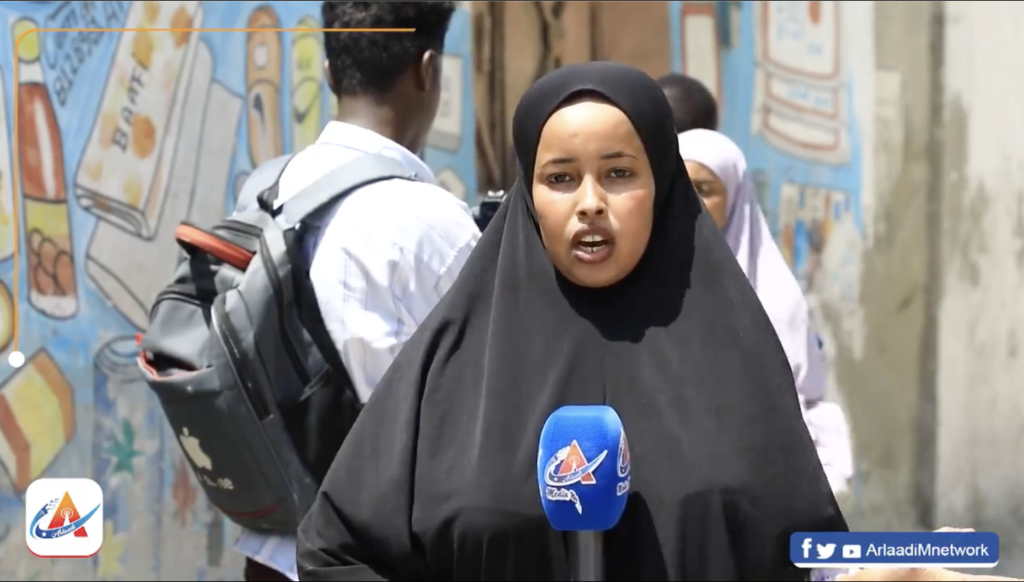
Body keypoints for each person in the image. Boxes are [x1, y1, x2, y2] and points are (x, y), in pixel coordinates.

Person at [296, 61, 847, 580]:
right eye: (561, 178)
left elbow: (810, 552)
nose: (590, 203)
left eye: (619, 173)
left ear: (661, 185)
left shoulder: (735, 357)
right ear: (529, 196)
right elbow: (336, 548)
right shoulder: (455, 363)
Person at [233, 2, 480, 581]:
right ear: (428, 70)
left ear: (326, 72)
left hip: (270, 554)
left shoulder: (267, 188)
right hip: (379, 556)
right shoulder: (435, 223)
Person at [677, 128, 855, 495]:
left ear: (735, 199)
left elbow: (802, 400)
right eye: (676, 186)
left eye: (704, 189)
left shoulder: (772, 296)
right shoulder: (645, 286)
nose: (686, 201)